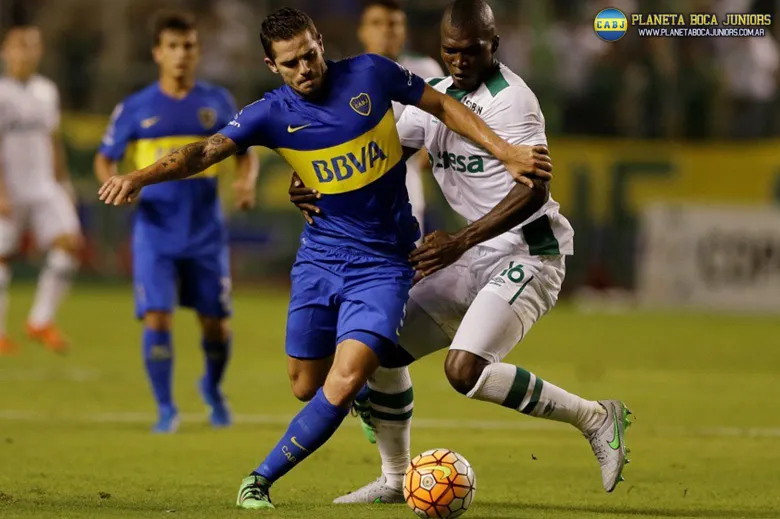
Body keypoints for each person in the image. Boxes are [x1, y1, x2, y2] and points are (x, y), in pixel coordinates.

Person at [97, 7, 551, 508]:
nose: (305, 69)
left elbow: (442, 107)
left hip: (384, 263)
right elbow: (205, 152)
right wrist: (137, 177)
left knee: (349, 373)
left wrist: (506, 150)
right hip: (320, 257)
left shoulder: (371, 74)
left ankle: (260, 479)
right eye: (291, 64)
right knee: (303, 384)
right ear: (273, 66)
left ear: (319, 41)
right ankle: (359, 404)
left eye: (310, 55)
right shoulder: (269, 114)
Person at [295, 0, 631, 503]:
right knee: (378, 350)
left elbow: (534, 189)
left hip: (530, 253)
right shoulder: (438, 99)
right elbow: (376, 158)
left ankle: (596, 417)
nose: (460, 60)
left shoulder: (513, 100)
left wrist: (460, 240)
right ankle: (394, 478)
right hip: (472, 255)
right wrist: (313, 184)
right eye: (451, 51)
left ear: (493, 46)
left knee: (464, 370)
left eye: (472, 50)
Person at [93, 11, 259, 433]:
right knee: (157, 317)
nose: (181, 54)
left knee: (216, 325)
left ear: (198, 51)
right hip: (155, 232)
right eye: (172, 46)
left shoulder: (217, 101)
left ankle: (212, 387)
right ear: (157, 53)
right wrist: (115, 186)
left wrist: (246, 182)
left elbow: (246, 150)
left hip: (206, 232)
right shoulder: (134, 107)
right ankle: (166, 407)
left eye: (188, 46)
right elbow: (105, 157)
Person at [338, 0, 446, 444]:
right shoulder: (346, 74)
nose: (388, 31)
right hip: (351, 205)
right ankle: (366, 387)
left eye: (395, 23)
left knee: (390, 310)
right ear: (363, 31)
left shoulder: (423, 69)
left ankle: (370, 390)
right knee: (343, 305)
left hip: (404, 203)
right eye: (379, 23)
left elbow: (434, 129)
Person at [0, 25, 82, 356]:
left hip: (44, 184)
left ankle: (40, 321)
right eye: (20, 46)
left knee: (70, 246)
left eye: (32, 46)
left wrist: (64, 183)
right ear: (6, 50)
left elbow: (53, 140)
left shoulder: (46, 91)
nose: (26, 52)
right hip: (9, 187)